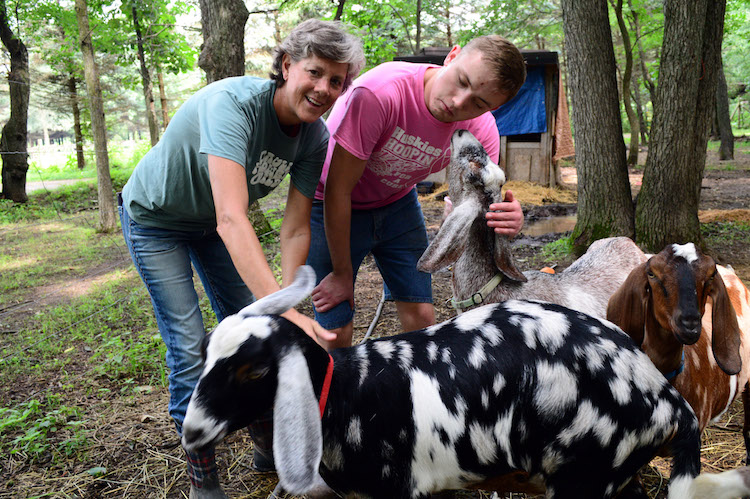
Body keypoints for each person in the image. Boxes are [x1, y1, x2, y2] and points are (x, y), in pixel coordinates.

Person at [118, 19, 364, 499]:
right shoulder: (233, 106)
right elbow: (233, 218)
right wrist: (287, 308)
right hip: (155, 221)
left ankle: (265, 441)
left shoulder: (314, 136)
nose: (324, 89)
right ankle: (202, 476)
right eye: (315, 72)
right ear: (287, 65)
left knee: (256, 336)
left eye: (337, 81)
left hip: (209, 226)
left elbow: (295, 227)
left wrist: (288, 301)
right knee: (190, 348)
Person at [308, 36, 527, 349]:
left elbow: (469, 208)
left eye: (479, 103)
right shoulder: (380, 94)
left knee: (423, 317)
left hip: (397, 201)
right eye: (461, 81)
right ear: (452, 56)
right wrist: (342, 275)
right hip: (330, 201)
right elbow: (337, 190)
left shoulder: (481, 130)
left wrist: (507, 222)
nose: (458, 102)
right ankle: (331, 395)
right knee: (336, 332)